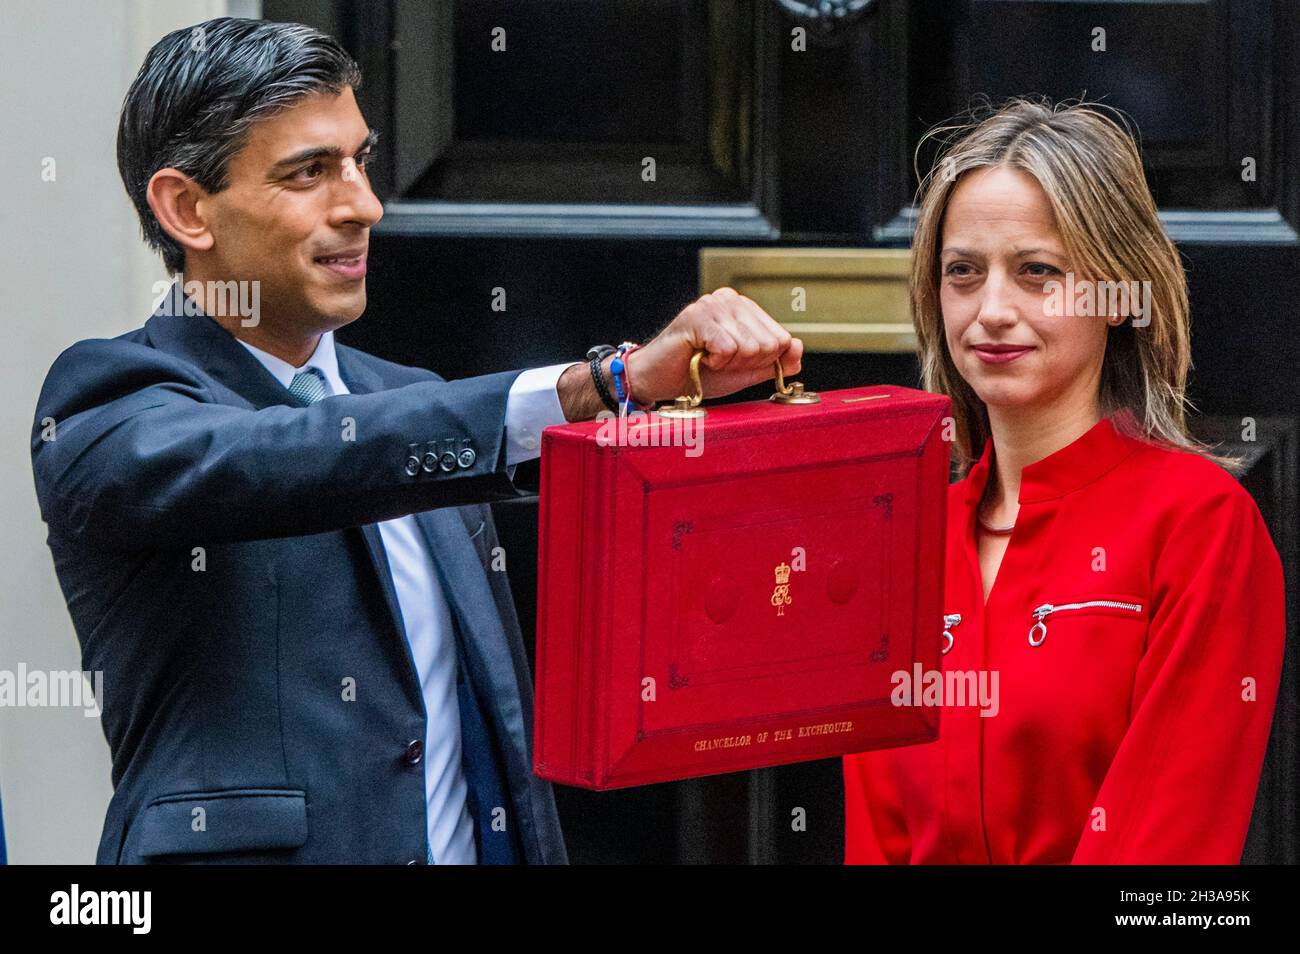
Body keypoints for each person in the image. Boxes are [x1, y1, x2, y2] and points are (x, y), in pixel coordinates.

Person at [30, 17, 801, 864]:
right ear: (187, 208)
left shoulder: (412, 401)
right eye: (310, 173)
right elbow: (294, 455)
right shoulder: (111, 400)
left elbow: (490, 727)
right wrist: (601, 385)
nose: (364, 204)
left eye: (359, 161)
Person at [843, 98, 1286, 864]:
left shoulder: (1198, 527)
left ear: (1117, 294)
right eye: (963, 273)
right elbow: (874, 840)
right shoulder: (902, 545)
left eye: (1037, 273)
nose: (991, 311)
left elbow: (1165, 851)